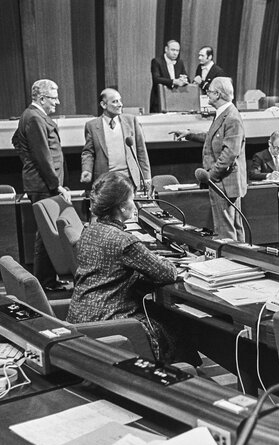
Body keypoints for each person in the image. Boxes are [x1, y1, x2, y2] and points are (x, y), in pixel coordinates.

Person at [66, 172, 200, 365]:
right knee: (174, 324)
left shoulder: (89, 230)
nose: (134, 203)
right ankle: (184, 379)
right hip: (109, 319)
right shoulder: (123, 240)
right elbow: (168, 272)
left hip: (80, 316)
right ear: (121, 207)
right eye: (131, 199)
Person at [11, 79, 71, 291]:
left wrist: (27, 161)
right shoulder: (35, 118)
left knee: (46, 231)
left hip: (41, 182)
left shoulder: (31, 116)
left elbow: (16, 141)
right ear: (42, 98)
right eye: (54, 98)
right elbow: (42, 156)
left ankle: (46, 280)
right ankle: (45, 283)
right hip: (44, 185)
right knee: (46, 232)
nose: (58, 101)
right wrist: (56, 186)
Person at [172, 77, 247, 241]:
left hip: (224, 182)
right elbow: (215, 138)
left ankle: (231, 263)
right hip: (224, 181)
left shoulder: (232, 117)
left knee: (226, 230)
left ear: (218, 94)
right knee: (233, 226)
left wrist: (211, 176)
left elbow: (229, 153)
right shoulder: (224, 113)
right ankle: (239, 259)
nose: (207, 94)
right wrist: (190, 134)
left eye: (210, 91)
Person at [81, 88, 151, 192]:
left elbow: (141, 151)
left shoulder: (131, 121)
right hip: (106, 181)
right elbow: (88, 152)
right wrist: (87, 169)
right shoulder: (91, 126)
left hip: (130, 179)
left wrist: (146, 177)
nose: (120, 104)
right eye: (115, 101)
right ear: (103, 105)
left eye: (120, 100)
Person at [150, 40, 188, 113]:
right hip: (159, 99)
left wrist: (184, 79)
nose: (175, 53)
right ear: (166, 49)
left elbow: (187, 77)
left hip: (175, 100)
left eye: (177, 51)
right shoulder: (157, 61)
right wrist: (174, 81)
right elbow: (156, 79)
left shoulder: (180, 62)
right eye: (173, 50)